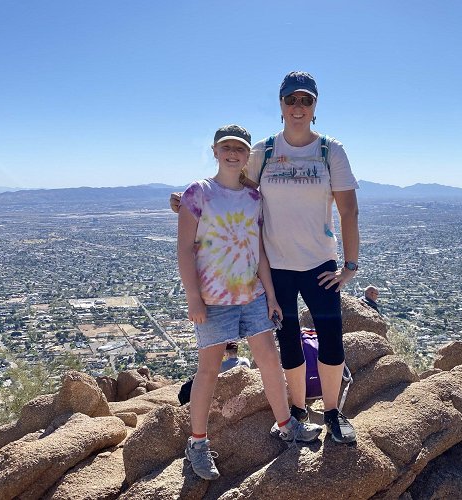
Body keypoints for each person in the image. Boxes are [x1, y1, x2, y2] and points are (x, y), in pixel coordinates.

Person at [173, 72, 360, 444]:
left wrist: (349, 266)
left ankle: (334, 412)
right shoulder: (263, 151)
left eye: (306, 100)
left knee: (331, 338)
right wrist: (190, 204)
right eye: (292, 100)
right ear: (280, 104)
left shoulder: (329, 150)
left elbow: (349, 211)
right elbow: (234, 185)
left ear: (315, 107)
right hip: (276, 264)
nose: (298, 107)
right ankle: (295, 411)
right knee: (288, 339)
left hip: (320, 262)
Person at [177, 124, 322, 481]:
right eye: (225, 147)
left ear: (246, 156)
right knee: (208, 372)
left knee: (269, 360)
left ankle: (287, 425)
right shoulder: (198, 192)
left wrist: (271, 296)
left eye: (239, 148)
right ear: (214, 151)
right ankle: (197, 444)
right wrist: (193, 297)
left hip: (253, 295)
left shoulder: (254, 198)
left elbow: (259, 251)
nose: (232, 153)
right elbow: (183, 249)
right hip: (213, 300)